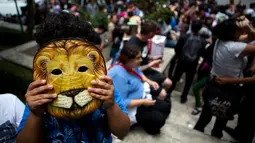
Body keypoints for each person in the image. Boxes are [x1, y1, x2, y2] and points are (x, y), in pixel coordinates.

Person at [16, 13, 130, 143]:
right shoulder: (40, 93)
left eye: (81, 68)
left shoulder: (103, 87)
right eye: (57, 71)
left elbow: (122, 132)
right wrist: (35, 114)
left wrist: (111, 105)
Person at [194, 16, 255, 139]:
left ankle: (196, 134)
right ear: (232, 34)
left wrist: (246, 28)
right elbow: (251, 38)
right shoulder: (234, 47)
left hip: (214, 83)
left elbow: (250, 38)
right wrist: (248, 27)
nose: (242, 32)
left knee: (206, 114)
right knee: (222, 120)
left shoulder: (221, 41)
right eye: (239, 30)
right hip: (228, 88)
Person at [108, 44, 171, 134]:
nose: (141, 60)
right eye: (138, 58)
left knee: (166, 107)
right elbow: (121, 102)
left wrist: (149, 81)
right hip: (133, 107)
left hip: (141, 96)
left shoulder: (130, 66)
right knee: (159, 120)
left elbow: (139, 73)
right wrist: (143, 102)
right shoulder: (118, 74)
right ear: (128, 59)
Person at [167, 20, 208, 104]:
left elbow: (177, 49)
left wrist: (178, 56)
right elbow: (203, 53)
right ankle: (183, 97)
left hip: (182, 61)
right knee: (188, 81)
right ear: (200, 29)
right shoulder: (203, 41)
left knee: (175, 77)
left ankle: (169, 92)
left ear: (191, 26)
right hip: (193, 63)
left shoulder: (184, 37)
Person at [126, 20, 172, 91]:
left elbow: (144, 54)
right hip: (137, 74)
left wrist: (153, 58)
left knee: (168, 83)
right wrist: (151, 64)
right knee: (162, 93)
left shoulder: (145, 39)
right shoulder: (133, 45)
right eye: (155, 33)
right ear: (150, 34)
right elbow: (133, 69)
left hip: (147, 70)